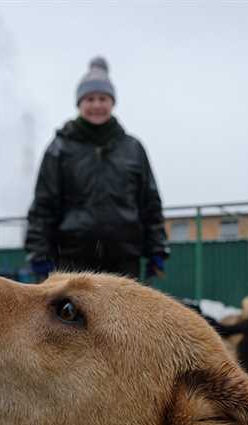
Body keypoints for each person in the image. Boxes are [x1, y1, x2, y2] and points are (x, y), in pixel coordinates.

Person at [24, 56, 169, 280]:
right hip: (72, 260)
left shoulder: (133, 148)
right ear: (79, 103)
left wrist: (156, 249)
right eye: (90, 99)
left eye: (103, 98)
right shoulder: (59, 149)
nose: (97, 105)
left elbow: (149, 203)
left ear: (112, 102)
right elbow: (43, 206)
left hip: (123, 260)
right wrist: (39, 252)